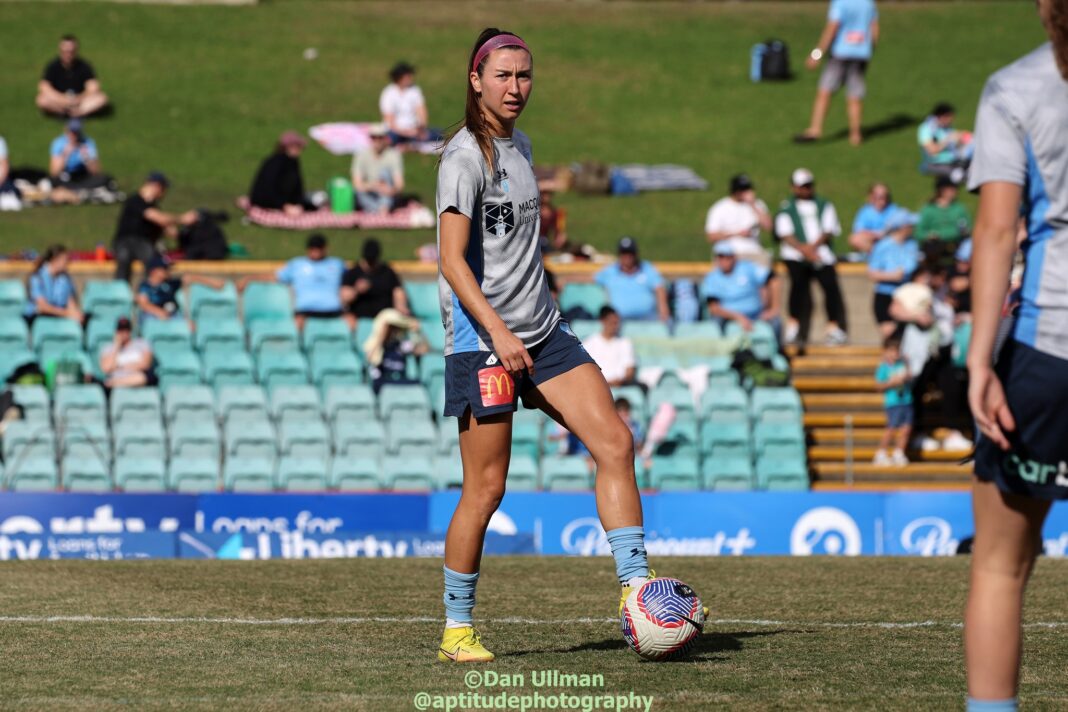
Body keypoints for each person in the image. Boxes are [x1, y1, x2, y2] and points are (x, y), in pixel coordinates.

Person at [435, 28, 684, 664]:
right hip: (484, 342)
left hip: (544, 333)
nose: (515, 88)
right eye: (503, 77)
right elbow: (451, 262)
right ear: (475, 80)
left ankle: (636, 593)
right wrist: (497, 332)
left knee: (616, 442)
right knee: (486, 490)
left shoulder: (523, 148)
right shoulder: (462, 158)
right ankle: (457, 630)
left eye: (524, 76)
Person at [965, 5, 1068, 709]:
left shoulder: (1016, 88)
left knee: (1001, 568)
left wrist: (979, 363)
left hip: (1046, 349)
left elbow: (998, 231)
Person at [775, 168, 848, 347]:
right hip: (796, 255)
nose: (805, 190)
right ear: (794, 187)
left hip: (820, 254)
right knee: (798, 286)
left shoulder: (824, 205)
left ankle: (833, 327)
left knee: (830, 287)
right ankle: (794, 326)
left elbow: (828, 229)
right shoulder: (786, 207)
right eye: (802, 186)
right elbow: (784, 233)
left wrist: (813, 249)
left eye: (808, 186)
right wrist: (804, 250)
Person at [795, 0, 879, 145]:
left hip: (840, 53)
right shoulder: (868, 3)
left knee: (825, 91)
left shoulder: (840, 2)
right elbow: (874, 29)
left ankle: (815, 129)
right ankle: (855, 135)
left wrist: (817, 54)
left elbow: (832, 28)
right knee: (854, 96)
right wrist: (869, 50)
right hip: (861, 54)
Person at [242, 234, 345, 330]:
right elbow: (274, 277)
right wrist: (250, 278)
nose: (315, 251)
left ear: (325, 248)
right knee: (296, 324)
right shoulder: (297, 264)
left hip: (334, 311)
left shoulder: (337, 264)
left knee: (350, 321)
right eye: (312, 248)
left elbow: (351, 279)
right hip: (305, 312)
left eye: (318, 248)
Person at [112, 172, 196, 282]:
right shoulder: (136, 200)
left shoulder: (153, 206)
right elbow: (157, 218)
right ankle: (121, 291)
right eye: (163, 189)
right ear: (157, 186)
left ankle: (150, 292)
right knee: (128, 260)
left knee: (156, 263)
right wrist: (182, 219)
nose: (163, 194)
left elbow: (168, 229)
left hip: (144, 243)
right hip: (128, 242)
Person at [700, 243, 781, 333]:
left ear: (734, 257)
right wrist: (739, 317)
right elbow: (714, 308)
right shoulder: (712, 278)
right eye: (720, 257)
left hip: (756, 314)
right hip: (728, 317)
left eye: (727, 257)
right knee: (714, 325)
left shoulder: (747, 267)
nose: (724, 261)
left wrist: (774, 309)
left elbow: (773, 279)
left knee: (775, 322)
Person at [867, 209, 920, 338]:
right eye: (910, 225)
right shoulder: (883, 246)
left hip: (907, 295)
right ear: (902, 227)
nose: (913, 228)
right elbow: (872, 273)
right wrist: (893, 276)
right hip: (886, 295)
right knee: (891, 336)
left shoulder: (912, 245)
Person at [594, 237, 670, 322]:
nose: (627, 257)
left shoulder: (647, 268)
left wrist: (663, 310)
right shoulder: (611, 271)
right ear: (619, 255)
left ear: (636, 254)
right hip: (619, 322)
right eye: (624, 253)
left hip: (647, 319)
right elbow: (589, 279)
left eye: (630, 253)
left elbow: (659, 288)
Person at [36, 35, 109, 118]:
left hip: (81, 101)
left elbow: (93, 86)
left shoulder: (84, 66)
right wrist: (62, 99)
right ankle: (64, 113)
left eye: (71, 52)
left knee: (102, 99)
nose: (68, 54)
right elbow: (44, 86)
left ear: (76, 51)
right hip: (59, 101)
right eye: (65, 51)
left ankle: (78, 113)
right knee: (41, 100)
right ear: (60, 51)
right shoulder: (53, 66)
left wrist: (79, 98)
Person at [135, 255, 226, 321]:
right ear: (154, 270)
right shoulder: (145, 286)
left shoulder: (170, 283)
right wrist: (160, 312)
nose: (167, 271)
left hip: (174, 316)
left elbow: (190, 278)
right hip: (155, 318)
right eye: (164, 268)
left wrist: (213, 283)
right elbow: (144, 304)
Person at [703, 173, 772, 261]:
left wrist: (753, 205)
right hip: (730, 253)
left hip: (754, 251)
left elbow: (768, 226)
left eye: (747, 189)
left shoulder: (758, 204)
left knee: (766, 263)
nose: (745, 192)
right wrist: (737, 234)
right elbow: (711, 236)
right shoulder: (720, 208)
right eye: (742, 190)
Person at [340, 238, 410, 323]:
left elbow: (398, 291)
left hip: (385, 316)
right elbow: (344, 297)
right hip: (360, 317)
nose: (371, 264)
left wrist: (401, 307)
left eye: (373, 260)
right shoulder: (353, 273)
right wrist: (357, 290)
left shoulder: (387, 272)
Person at [362, 308, 427, 394]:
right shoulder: (376, 346)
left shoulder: (401, 345)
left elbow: (423, 349)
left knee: (418, 384)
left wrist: (417, 331)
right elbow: (370, 360)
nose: (393, 331)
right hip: (384, 383)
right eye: (391, 327)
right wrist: (381, 335)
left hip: (400, 381)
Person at [249, 131, 312, 214]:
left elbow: (298, 185)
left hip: (285, 200)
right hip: (266, 200)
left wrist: (298, 203)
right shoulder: (274, 163)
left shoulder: (294, 162)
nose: (299, 149)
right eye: (295, 146)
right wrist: (283, 206)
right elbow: (267, 188)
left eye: (299, 147)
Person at [380, 62, 441, 146]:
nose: (411, 78)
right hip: (395, 131)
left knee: (439, 134)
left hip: (414, 129)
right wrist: (406, 133)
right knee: (391, 138)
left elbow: (422, 112)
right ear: (399, 78)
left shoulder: (415, 90)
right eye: (408, 76)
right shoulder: (388, 93)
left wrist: (420, 128)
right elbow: (390, 121)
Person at [873, 335, 912, 467]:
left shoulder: (903, 364)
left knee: (906, 429)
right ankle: (881, 453)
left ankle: (899, 452)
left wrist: (907, 374)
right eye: (892, 351)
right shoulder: (883, 367)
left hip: (906, 401)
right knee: (891, 429)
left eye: (897, 351)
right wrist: (891, 383)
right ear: (885, 352)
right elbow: (878, 386)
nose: (895, 354)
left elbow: (909, 376)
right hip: (893, 403)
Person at [352, 124, 404, 214]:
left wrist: (391, 190)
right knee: (359, 193)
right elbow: (357, 184)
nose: (377, 141)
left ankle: (380, 209)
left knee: (385, 173)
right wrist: (374, 186)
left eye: (380, 137)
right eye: (374, 137)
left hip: (387, 194)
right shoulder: (361, 155)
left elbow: (399, 185)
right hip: (369, 192)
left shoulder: (393, 155)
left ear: (385, 138)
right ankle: (379, 211)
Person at [916, 176, 972, 259]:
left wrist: (943, 234)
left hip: (957, 245)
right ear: (942, 190)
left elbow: (967, 228)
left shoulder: (959, 209)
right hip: (935, 246)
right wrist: (929, 235)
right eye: (952, 189)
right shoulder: (929, 209)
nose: (955, 192)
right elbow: (918, 232)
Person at [24, 244, 81, 324]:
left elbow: (70, 302)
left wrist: (77, 315)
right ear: (55, 260)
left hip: (58, 316)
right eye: (65, 260)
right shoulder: (37, 277)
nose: (68, 263)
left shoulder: (65, 279)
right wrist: (67, 314)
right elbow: (42, 307)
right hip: (37, 318)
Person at [918, 102, 973, 183]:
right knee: (960, 176)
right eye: (949, 116)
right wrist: (948, 139)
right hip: (936, 164)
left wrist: (962, 140)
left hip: (954, 161)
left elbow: (955, 146)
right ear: (942, 116)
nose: (951, 120)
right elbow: (931, 150)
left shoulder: (946, 128)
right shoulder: (926, 129)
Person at [582, 306, 637, 387]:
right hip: (596, 386)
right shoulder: (588, 343)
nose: (615, 326)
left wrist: (620, 382)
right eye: (612, 322)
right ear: (603, 321)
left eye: (617, 323)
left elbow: (629, 371)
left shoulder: (625, 343)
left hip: (620, 387)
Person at [99, 317, 155, 388]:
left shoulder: (142, 344)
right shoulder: (108, 348)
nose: (124, 333)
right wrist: (116, 346)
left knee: (141, 378)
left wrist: (120, 367)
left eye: (126, 330)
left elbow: (145, 364)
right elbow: (106, 368)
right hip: (116, 377)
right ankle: (116, 383)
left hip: (135, 377)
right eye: (121, 330)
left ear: (130, 331)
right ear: (117, 331)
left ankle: (115, 383)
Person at [848, 183, 898, 256]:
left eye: (884, 197)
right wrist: (875, 235)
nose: (882, 201)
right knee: (854, 239)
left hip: (889, 239)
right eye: (878, 197)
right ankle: (878, 255)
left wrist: (884, 235)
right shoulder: (866, 211)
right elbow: (859, 230)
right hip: (872, 242)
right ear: (871, 197)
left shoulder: (894, 210)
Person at [48, 119, 100, 187]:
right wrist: (65, 154)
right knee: (51, 182)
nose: (74, 135)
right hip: (65, 176)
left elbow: (96, 172)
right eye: (71, 131)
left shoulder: (88, 143)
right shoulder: (59, 143)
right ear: (66, 130)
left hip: (82, 176)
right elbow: (54, 173)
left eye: (76, 132)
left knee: (102, 179)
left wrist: (86, 158)